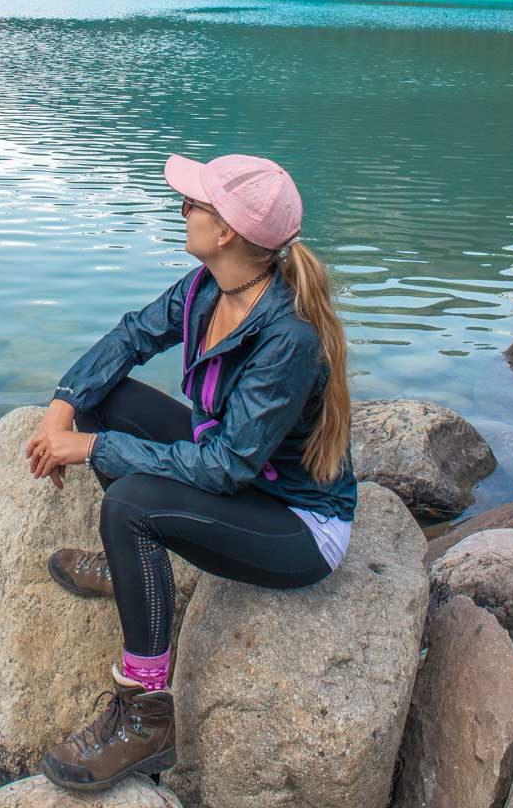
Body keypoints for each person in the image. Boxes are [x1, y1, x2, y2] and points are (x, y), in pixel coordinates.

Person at [25, 152, 358, 792]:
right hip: (236, 472)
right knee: (103, 398)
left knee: (129, 506)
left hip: (294, 521)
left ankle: (145, 716)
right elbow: (130, 338)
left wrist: (90, 450)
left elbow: (227, 466)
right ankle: (135, 570)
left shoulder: (286, 335)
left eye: (194, 203)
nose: (183, 210)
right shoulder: (208, 287)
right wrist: (63, 409)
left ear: (227, 231)